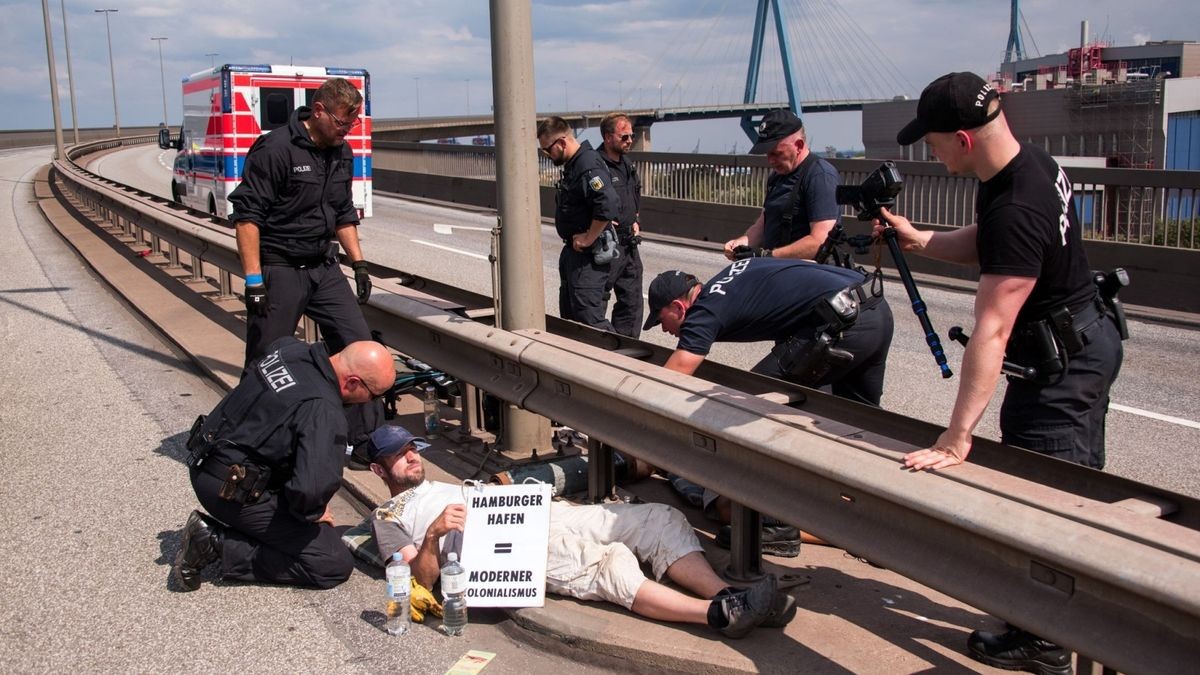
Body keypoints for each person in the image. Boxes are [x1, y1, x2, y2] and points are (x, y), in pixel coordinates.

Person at [882, 71, 1124, 675]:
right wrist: (924, 240)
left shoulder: (1016, 202)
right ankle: (1064, 617)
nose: (929, 155)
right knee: (1070, 487)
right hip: (1085, 340)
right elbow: (990, 242)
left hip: (1063, 365)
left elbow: (990, 331)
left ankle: (1044, 640)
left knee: (1045, 499)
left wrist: (956, 436)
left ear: (963, 139)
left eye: (933, 143)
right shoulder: (1025, 165)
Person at [341, 425, 793, 639]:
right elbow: (417, 582)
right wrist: (433, 536)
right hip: (491, 549)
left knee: (657, 517)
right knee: (606, 561)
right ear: (380, 470)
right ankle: (717, 617)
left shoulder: (436, 482)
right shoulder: (387, 517)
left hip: (524, 513)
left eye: (411, 450)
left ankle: (725, 595)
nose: (412, 459)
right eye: (399, 457)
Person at [644, 259, 894, 554]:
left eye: (661, 321)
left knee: (750, 408)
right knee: (860, 426)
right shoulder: (732, 274)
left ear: (678, 307)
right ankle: (886, 522)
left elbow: (670, 380)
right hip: (874, 308)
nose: (664, 331)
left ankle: (780, 526)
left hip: (842, 324)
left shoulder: (704, 310)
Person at [228, 77, 384, 459]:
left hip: (324, 266)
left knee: (358, 346)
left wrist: (359, 264)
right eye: (343, 122)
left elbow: (343, 213)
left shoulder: (341, 152)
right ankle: (248, 442)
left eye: (353, 123)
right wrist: (253, 280)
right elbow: (248, 217)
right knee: (267, 359)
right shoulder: (275, 149)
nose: (348, 130)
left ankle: (362, 443)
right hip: (280, 266)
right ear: (318, 112)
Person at [173, 338, 396, 591]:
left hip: (207, 458)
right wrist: (311, 513)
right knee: (330, 562)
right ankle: (213, 542)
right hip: (231, 489)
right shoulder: (323, 411)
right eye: (373, 396)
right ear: (353, 382)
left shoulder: (291, 350)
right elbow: (310, 489)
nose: (370, 404)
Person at [537, 116, 622, 332]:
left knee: (589, 319)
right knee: (571, 318)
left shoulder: (587, 165)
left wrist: (589, 237)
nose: (547, 155)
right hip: (576, 255)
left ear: (562, 143)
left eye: (548, 150)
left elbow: (608, 204)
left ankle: (617, 362)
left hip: (589, 257)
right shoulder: (575, 165)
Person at [722, 109, 841, 261]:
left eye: (776, 153)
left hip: (811, 276)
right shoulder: (777, 177)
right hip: (779, 270)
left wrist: (768, 255)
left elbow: (820, 242)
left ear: (798, 145)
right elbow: (764, 223)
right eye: (767, 154)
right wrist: (741, 244)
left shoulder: (820, 176)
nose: (770, 161)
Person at [598, 113, 645, 337]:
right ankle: (598, 347)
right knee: (599, 297)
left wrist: (635, 218)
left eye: (631, 136)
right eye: (624, 136)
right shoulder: (597, 166)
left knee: (632, 301)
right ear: (608, 137)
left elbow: (634, 193)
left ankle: (627, 345)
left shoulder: (627, 164)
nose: (629, 141)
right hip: (608, 244)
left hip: (630, 244)